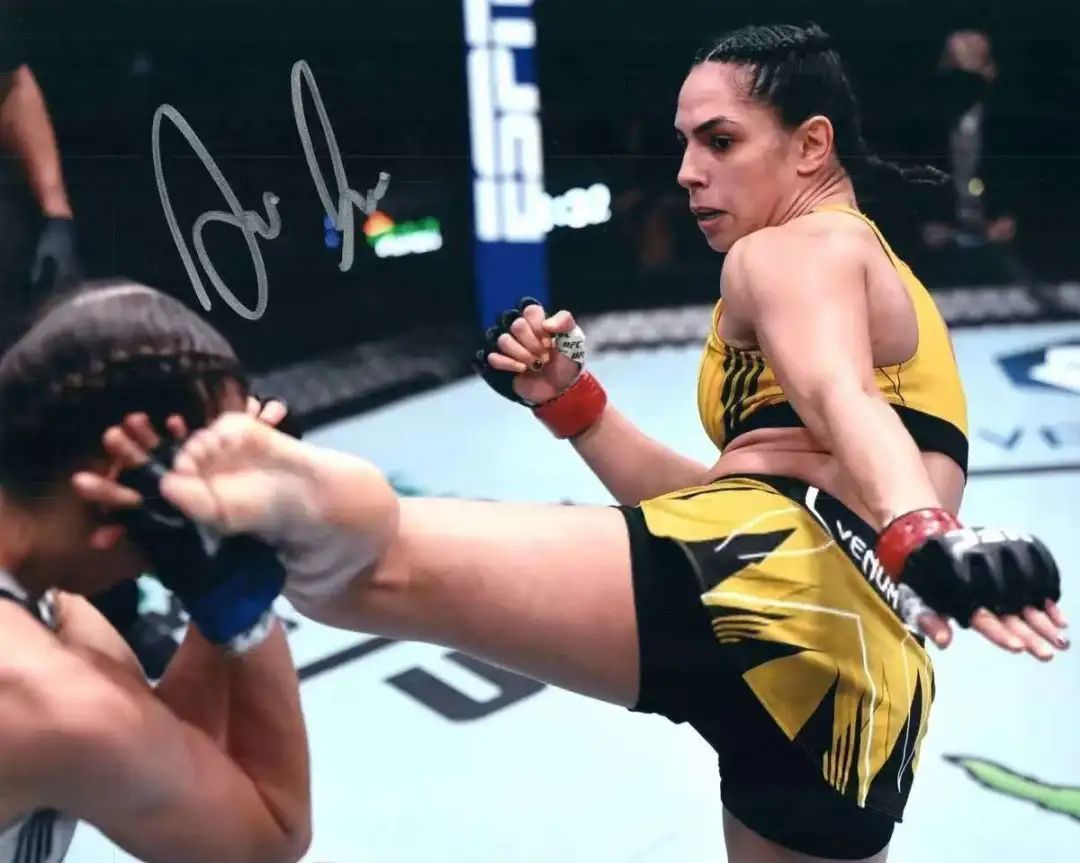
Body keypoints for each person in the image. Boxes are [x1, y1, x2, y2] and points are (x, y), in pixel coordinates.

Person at [62, 23, 1064, 863]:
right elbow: (740, 498)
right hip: (859, 681)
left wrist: (922, 529)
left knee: (355, 567)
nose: (688, 172)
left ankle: (242, 474)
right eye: (684, 143)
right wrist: (575, 406)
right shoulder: (874, 276)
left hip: (785, 579)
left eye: (720, 140)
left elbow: (832, 394)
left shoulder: (795, 245)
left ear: (811, 146)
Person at [0, 280, 312, 863]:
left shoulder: (43, 601)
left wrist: (216, 591)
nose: (217, 501)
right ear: (121, 474)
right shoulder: (47, 699)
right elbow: (271, 836)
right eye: (202, 479)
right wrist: (244, 602)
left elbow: (160, 747)